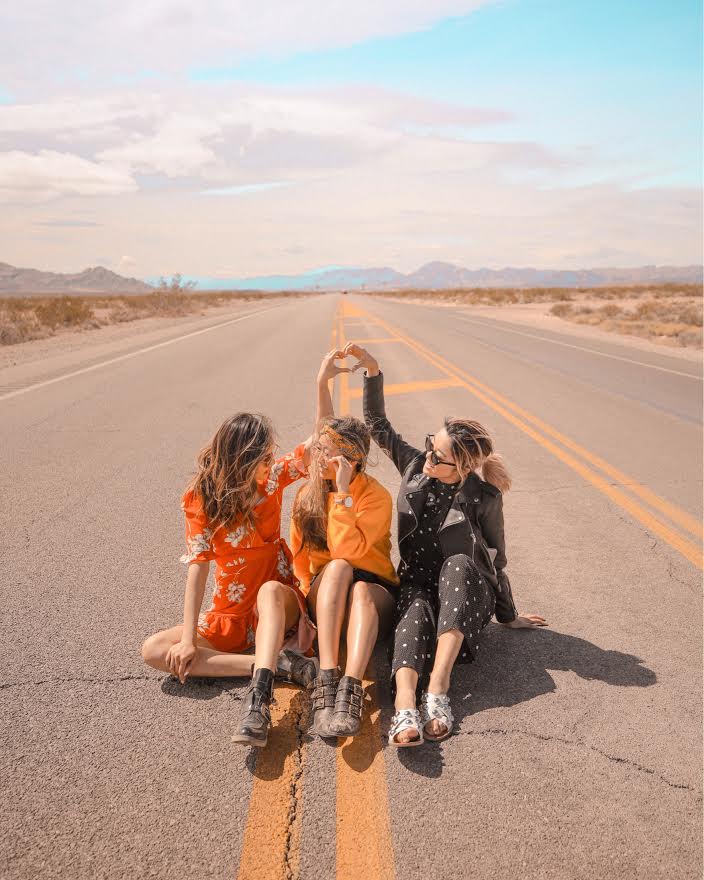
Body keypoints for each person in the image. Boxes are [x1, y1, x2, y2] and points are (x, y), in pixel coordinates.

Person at [344, 342, 547, 747]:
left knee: (458, 565)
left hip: (467, 589)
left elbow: (494, 558)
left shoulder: (483, 497)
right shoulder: (415, 468)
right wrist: (372, 370)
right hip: (419, 580)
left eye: (438, 456)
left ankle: (438, 689)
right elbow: (378, 423)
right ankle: (405, 704)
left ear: (464, 467)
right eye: (429, 447)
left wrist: (509, 615)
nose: (427, 459)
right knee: (414, 610)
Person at [141, 412, 317, 748]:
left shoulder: (271, 480)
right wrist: (190, 639)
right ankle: (276, 665)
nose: (272, 460)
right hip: (231, 613)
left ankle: (261, 687)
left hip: (277, 604)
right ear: (244, 459)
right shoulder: (200, 498)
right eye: (265, 456)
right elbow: (198, 567)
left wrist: (323, 382)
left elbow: (314, 445)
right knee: (154, 651)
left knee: (268, 591)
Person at [290, 351, 399, 738]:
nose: (314, 454)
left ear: (348, 460)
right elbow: (304, 561)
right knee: (334, 569)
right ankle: (327, 676)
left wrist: (342, 496)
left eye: (323, 451)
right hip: (328, 595)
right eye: (317, 449)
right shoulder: (308, 495)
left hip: (374, 593)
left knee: (360, 584)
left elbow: (350, 553)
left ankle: (350, 688)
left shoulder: (375, 496)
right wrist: (322, 383)